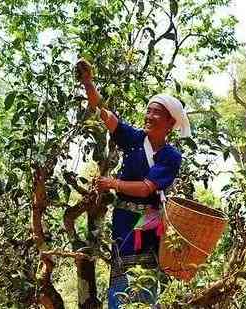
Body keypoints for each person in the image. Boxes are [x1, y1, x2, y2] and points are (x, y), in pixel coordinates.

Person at [76, 58, 191, 308]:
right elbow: (105, 115)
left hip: (149, 225)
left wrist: (111, 183)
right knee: (121, 275)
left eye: (156, 113)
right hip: (123, 219)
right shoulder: (135, 139)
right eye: (148, 110)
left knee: (145, 276)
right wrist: (88, 84)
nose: (149, 116)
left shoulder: (171, 156)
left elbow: (147, 187)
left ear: (170, 123)